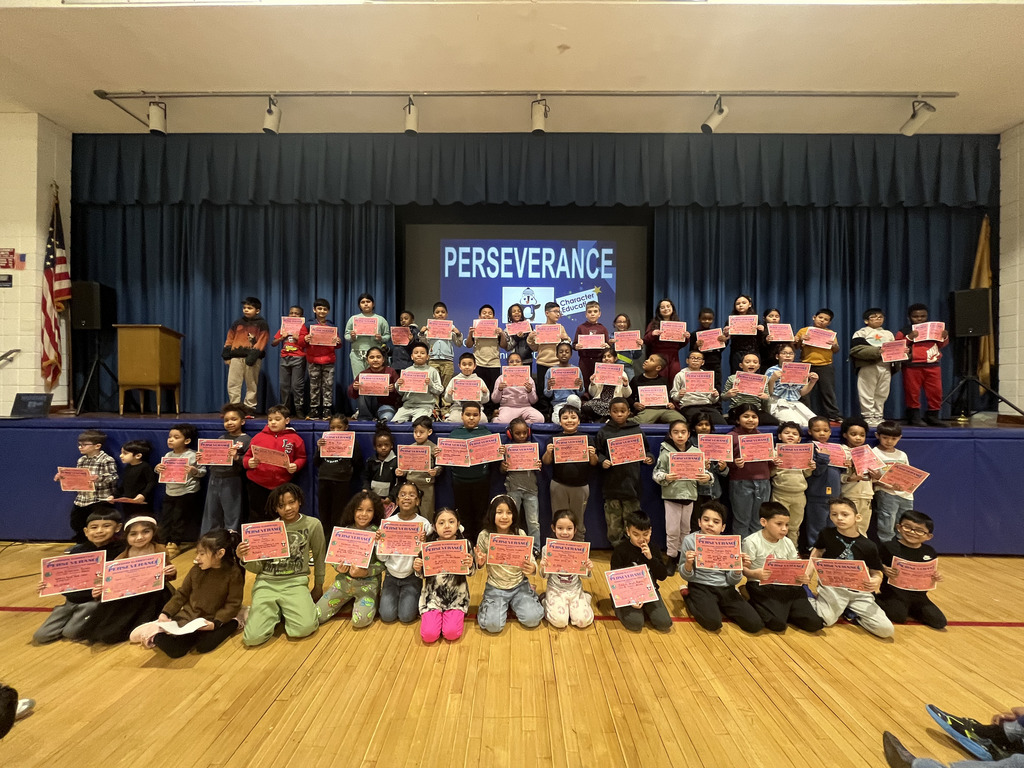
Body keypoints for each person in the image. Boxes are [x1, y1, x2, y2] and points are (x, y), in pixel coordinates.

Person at [130, 528, 245, 657]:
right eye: (197, 553)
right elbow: (182, 594)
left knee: (205, 646)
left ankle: (236, 621)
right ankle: (154, 632)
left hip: (214, 619)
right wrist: (165, 613)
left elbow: (233, 603)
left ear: (220, 554)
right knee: (176, 651)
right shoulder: (196, 570)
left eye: (202, 554)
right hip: (191, 619)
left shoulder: (233, 573)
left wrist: (216, 622)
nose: (197, 558)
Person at [240, 484, 326, 646]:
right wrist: (245, 557)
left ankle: (282, 610)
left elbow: (319, 556)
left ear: (299, 501)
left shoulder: (313, 524)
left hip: (295, 583)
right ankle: (272, 612)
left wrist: (319, 585)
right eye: (281, 506)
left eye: (291, 502)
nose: (287, 508)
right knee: (252, 639)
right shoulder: (266, 530)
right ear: (275, 508)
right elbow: (257, 568)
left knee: (304, 628)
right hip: (266, 584)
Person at [33, 506, 123, 644]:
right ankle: (66, 614)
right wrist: (49, 585)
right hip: (71, 601)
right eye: (94, 527)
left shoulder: (120, 552)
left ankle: (86, 619)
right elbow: (64, 579)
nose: (99, 531)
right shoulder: (77, 551)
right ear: (86, 532)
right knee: (41, 636)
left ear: (117, 528)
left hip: (93, 602)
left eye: (106, 526)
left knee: (71, 633)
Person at [81, 515, 176, 644]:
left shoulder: (159, 550)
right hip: (129, 597)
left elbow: (167, 573)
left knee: (146, 618)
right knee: (111, 629)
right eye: (133, 534)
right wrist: (100, 592)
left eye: (145, 532)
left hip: (154, 596)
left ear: (153, 532)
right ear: (126, 537)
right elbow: (112, 583)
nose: (139, 537)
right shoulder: (121, 558)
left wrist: (171, 571)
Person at [809, 498, 894, 638]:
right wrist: (809, 572)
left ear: (857, 517)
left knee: (885, 630)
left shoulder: (868, 545)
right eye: (834, 514)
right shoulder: (827, 534)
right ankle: (808, 596)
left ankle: (854, 613)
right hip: (832, 587)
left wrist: (876, 581)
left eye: (844, 514)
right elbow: (818, 551)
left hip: (859, 591)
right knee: (826, 620)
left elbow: (876, 571)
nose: (839, 518)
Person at [680, 500, 763, 633]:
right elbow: (685, 575)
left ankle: (720, 605)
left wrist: (738, 568)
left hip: (726, 588)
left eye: (716, 522)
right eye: (706, 520)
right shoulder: (690, 540)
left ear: (723, 527)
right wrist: (688, 564)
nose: (710, 524)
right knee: (712, 623)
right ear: (700, 522)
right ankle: (688, 596)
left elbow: (732, 580)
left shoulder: (730, 544)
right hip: (700, 586)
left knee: (755, 624)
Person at [741, 502, 824, 633]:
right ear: (764, 522)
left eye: (786, 525)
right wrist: (754, 574)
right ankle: (748, 594)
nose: (784, 529)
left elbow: (796, 566)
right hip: (762, 586)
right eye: (779, 524)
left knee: (815, 624)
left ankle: (784, 610)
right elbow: (743, 570)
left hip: (789, 587)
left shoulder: (788, 542)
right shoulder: (751, 541)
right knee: (777, 624)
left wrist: (803, 576)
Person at [474, 495, 545, 633]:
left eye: (509, 512)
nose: (504, 517)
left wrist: (532, 568)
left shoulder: (520, 534)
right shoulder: (484, 535)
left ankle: (524, 596)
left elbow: (530, 559)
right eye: (499, 512)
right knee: (493, 626)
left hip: (519, 585)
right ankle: (489, 604)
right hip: (495, 587)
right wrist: (480, 562)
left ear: (514, 515)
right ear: (492, 514)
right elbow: (479, 561)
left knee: (533, 619)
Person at [317, 491, 385, 628]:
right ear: (352, 510)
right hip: (344, 582)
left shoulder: (378, 533)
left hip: (368, 585)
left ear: (375, 512)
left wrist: (366, 572)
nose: (363, 514)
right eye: (359, 509)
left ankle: (370, 599)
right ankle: (347, 599)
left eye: (369, 510)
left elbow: (383, 563)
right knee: (317, 616)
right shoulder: (344, 532)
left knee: (360, 621)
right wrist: (338, 567)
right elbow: (334, 557)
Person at [653, 419, 709, 576]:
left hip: (690, 496)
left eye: (683, 432)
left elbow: (706, 473)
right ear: (670, 434)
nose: (679, 435)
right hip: (671, 497)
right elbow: (656, 474)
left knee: (686, 529)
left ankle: (683, 557)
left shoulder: (697, 453)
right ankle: (671, 557)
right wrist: (666, 476)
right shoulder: (665, 454)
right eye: (676, 432)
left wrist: (706, 477)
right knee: (672, 530)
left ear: (689, 434)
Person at [595, 397, 654, 547]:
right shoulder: (604, 432)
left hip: (632, 486)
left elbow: (647, 450)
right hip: (611, 486)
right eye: (615, 411)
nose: (619, 414)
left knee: (633, 522)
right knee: (613, 524)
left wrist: (649, 458)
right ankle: (618, 550)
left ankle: (633, 550)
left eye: (622, 411)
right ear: (609, 412)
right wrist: (603, 461)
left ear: (629, 412)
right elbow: (598, 452)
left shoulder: (636, 430)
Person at [414, 507, 476, 643]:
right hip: (432, 599)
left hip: (457, 599)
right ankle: (435, 616)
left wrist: (470, 564)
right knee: (429, 636)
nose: (447, 526)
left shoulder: (465, 545)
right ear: (434, 527)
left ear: (458, 524)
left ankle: (452, 616)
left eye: (451, 522)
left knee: (451, 633)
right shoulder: (428, 546)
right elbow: (422, 574)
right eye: (441, 523)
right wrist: (418, 568)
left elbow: (472, 572)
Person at [876, 510, 946, 629]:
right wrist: (883, 569)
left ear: (928, 536)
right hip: (894, 594)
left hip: (919, 597)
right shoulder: (889, 547)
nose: (912, 532)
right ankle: (875, 598)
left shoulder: (929, 552)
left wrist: (936, 576)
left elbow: (931, 572)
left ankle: (911, 609)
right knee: (898, 617)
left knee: (939, 622)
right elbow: (873, 563)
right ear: (899, 527)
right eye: (907, 527)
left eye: (919, 530)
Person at [378, 482, 432, 624]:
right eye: (402, 495)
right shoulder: (388, 523)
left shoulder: (424, 524)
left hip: (412, 577)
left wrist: (424, 542)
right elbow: (382, 557)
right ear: (397, 501)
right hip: (391, 576)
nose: (406, 498)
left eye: (411, 495)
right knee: (387, 616)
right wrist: (380, 543)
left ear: (418, 501)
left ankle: (416, 594)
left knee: (406, 617)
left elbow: (428, 559)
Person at [609, 511, 672, 632]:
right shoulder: (620, 550)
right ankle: (617, 604)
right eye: (636, 534)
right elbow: (614, 579)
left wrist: (650, 558)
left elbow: (663, 576)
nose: (641, 539)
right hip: (628, 592)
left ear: (651, 531)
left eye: (646, 534)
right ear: (628, 532)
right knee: (635, 624)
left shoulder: (653, 548)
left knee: (664, 623)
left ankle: (646, 610)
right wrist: (629, 598)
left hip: (649, 591)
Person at [243, 405, 307, 523]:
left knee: (280, 516)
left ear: (286, 421)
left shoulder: (295, 439)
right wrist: (248, 462)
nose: (273, 422)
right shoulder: (258, 437)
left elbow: (301, 457)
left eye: (277, 419)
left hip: (281, 485)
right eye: (270, 419)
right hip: (258, 484)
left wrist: (296, 465)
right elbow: (247, 457)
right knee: (257, 514)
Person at [542, 404, 597, 541]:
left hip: (581, 486)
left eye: (573, 417)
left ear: (579, 421)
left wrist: (592, 454)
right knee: (559, 519)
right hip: (559, 485)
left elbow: (594, 463)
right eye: (565, 418)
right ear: (560, 421)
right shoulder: (554, 439)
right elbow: (546, 462)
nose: (569, 420)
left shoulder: (587, 438)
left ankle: (578, 551)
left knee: (578, 520)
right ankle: (557, 552)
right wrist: (548, 452)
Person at [443, 402, 495, 543]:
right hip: (459, 482)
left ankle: (480, 545)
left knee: (481, 515)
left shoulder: (486, 433)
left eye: (475, 415)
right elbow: (446, 458)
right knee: (464, 516)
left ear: (480, 417)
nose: (471, 418)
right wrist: (440, 453)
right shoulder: (455, 434)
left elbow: (494, 459)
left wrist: (498, 451)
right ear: (462, 416)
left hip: (481, 481)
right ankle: (467, 546)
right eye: (468, 415)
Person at [56, 428, 117, 545]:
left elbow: (113, 478)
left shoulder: (106, 460)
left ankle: (98, 545)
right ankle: (82, 544)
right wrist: (63, 477)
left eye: (84, 445)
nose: (80, 447)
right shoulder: (82, 460)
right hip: (82, 499)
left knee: (97, 523)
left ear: (97, 446)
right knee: (77, 522)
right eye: (79, 445)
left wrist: (99, 478)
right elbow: (77, 478)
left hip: (99, 499)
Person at [154, 422, 206, 559]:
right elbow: (162, 471)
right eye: (170, 436)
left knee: (179, 519)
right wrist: (157, 469)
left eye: (176, 437)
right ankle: (163, 542)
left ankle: (174, 543)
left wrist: (194, 471)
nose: (171, 439)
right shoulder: (168, 455)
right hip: (170, 491)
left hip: (187, 492)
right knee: (166, 518)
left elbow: (202, 472)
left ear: (187, 440)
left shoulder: (193, 455)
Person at [199, 403, 251, 535]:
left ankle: (232, 541)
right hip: (214, 478)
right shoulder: (221, 438)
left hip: (232, 480)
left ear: (243, 421)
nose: (229, 423)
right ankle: (210, 541)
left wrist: (237, 458)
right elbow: (213, 457)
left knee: (232, 513)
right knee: (212, 512)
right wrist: (202, 456)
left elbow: (248, 461)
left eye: (234, 419)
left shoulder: (246, 440)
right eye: (226, 420)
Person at [896, 303, 950, 427]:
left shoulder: (934, 329)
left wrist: (944, 337)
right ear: (909, 317)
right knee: (912, 393)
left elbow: (941, 345)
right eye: (916, 316)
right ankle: (914, 417)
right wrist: (909, 337)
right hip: (912, 365)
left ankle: (933, 416)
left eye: (923, 316)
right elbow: (896, 347)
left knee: (935, 392)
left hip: (933, 364)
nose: (919, 319)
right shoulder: (904, 331)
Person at [539, 509, 595, 629]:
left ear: (575, 530)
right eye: (560, 528)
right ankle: (545, 601)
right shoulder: (547, 549)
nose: (565, 532)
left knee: (583, 621)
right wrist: (543, 567)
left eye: (569, 528)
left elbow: (584, 576)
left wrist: (588, 569)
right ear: (553, 528)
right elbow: (544, 576)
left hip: (574, 589)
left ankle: (584, 598)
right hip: (555, 589)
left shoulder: (580, 549)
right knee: (560, 622)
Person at [726, 403, 772, 539]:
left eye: (754, 416)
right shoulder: (731, 437)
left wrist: (774, 461)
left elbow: (769, 463)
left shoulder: (763, 437)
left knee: (759, 520)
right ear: (737, 419)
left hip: (763, 482)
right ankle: (742, 553)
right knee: (742, 520)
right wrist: (734, 464)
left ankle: (755, 553)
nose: (750, 419)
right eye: (746, 416)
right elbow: (723, 463)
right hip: (741, 482)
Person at [501, 417, 543, 554]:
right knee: (512, 520)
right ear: (510, 434)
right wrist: (503, 466)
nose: (522, 436)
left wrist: (538, 465)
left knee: (533, 522)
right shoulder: (507, 449)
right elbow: (501, 471)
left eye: (524, 432)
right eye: (518, 433)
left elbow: (538, 469)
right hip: (513, 489)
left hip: (531, 490)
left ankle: (536, 548)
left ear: (528, 432)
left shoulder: (532, 448)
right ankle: (514, 546)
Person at [315, 413, 364, 528]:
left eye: (339, 427)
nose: (335, 430)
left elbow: (358, 464)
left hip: (342, 481)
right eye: (332, 428)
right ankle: (325, 540)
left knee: (339, 514)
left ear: (346, 427)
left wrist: (347, 472)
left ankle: (336, 540)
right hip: (324, 479)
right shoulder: (323, 442)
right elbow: (316, 463)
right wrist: (319, 449)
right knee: (324, 513)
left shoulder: (353, 443)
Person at [770, 421, 813, 549]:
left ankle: (793, 551)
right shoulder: (774, 452)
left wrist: (811, 467)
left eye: (794, 434)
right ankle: (777, 552)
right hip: (780, 494)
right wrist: (773, 465)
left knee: (794, 526)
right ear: (779, 436)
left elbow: (807, 474)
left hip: (799, 495)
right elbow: (770, 474)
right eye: (786, 433)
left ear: (799, 439)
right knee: (778, 525)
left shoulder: (804, 453)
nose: (790, 436)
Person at [222, 296, 269, 414]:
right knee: (233, 383)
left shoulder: (262, 324)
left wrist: (253, 355)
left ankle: (249, 408)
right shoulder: (237, 323)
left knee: (251, 383)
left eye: (249, 308)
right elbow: (230, 338)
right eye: (244, 308)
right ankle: (235, 407)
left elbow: (262, 340)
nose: (246, 310)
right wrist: (227, 355)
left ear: (257, 310)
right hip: (236, 357)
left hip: (253, 358)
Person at [803, 416, 844, 552]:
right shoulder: (809, 449)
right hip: (817, 495)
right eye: (817, 430)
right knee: (816, 526)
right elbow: (817, 472)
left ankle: (831, 551)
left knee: (833, 525)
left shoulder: (836, 448)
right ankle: (813, 551)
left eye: (825, 430)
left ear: (830, 432)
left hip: (834, 495)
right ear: (810, 431)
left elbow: (839, 472)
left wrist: (846, 464)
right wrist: (823, 458)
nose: (822, 433)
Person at [850, 307, 895, 427]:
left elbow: (896, 349)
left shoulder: (888, 334)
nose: (877, 319)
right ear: (866, 321)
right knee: (867, 391)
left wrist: (903, 351)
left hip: (885, 366)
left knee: (882, 392)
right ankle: (868, 415)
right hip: (868, 365)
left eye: (880, 317)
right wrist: (877, 351)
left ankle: (878, 415)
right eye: (873, 317)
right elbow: (856, 349)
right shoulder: (862, 332)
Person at [795, 308, 842, 423]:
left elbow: (836, 350)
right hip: (806, 364)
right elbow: (795, 347)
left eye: (826, 320)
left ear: (829, 323)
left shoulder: (830, 334)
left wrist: (834, 345)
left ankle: (833, 414)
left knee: (828, 391)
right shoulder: (804, 330)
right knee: (804, 392)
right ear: (814, 317)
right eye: (820, 318)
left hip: (825, 365)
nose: (822, 321)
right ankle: (805, 415)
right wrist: (800, 339)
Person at [872, 420, 914, 543]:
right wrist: (886, 484)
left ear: (899, 438)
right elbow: (873, 478)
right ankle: (887, 548)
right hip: (886, 493)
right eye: (885, 438)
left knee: (905, 521)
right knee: (887, 521)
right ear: (877, 436)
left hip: (905, 494)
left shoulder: (902, 455)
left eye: (894, 438)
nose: (889, 441)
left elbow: (909, 474)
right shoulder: (874, 453)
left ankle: (903, 546)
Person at [394, 415, 441, 517]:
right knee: (410, 512)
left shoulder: (434, 448)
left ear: (429, 432)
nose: (418, 435)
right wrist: (401, 472)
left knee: (427, 512)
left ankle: (427, 532)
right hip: (410, 485)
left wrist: (436, 471)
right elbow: (405, 468)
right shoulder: (410, 448)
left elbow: (440, 465)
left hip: (426, 485)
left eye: (421, 432)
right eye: (415, 432)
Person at [465, 303, 508, 413]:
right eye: (484, 313)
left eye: (490, 313)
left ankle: (493, 411)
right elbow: (469, 345)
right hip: (479, 363)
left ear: (493, 316)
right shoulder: (475, 328)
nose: (487, 315)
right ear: (479, 316)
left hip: (494, 363)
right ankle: (481, 411)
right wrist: (470, 334)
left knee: (494, 390)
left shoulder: (497, 330)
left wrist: (502, 334)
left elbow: (504, 346)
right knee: (480, 390)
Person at [765, 343, 819, 427]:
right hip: (777, 402)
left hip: (795, 402)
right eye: (784, 353)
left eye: (791, 353)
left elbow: (802, 392)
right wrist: (772, 379)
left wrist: (812, 382)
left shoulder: (799, 370)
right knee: (796, 424)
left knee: (814, 423)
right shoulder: (772, 371)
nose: (788, 356)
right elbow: (769, 393)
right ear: (777, 356)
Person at [305, 298, 342, 420]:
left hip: (328, 360)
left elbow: (337, 344)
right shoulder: (308, 325)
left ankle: (327, 410)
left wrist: (338, 342)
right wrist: (305, 339)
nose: (322, 311)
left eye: (325, 309)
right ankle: (314, 409)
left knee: (328, 386)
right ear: (314, 310)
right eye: (319, 308)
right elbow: (301, 342)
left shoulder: (331, 325)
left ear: (328, 311)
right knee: (314, 386)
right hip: (313, 360)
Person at [391, 341, 445, 423]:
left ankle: (431, 417)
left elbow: (439, 390)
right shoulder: (406, 371)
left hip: (425, 406)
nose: (419, 355)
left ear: (427, 357)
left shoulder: (432, 371)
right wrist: (398, 385)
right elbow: (401, 393)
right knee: (394, 423)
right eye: (416, 353)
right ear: (412, 356)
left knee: (418, 424)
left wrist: (430, 384)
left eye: (422, 353)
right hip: (407, 406)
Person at [271, 304, 308, 419]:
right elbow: (273, 343)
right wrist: (282, 337)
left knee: (297, 386)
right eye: (291, 313)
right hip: (284, 358)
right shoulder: (284, 327)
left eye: (296, 313)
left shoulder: (304, 328)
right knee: (284, 385)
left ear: (301, 316)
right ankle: (285, 410)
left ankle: (299, 409)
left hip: (298, 358)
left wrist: (299, 338)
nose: (293, 315)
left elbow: (307, 344)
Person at [627, 353, 685, 424]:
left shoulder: (663, 380)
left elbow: (668, 397)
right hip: (647, 410)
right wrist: (634, 404)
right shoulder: (636, 379)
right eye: (648, 358)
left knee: (681, 420)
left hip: (664, 410)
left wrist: (671, 404)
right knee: (638, 422)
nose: (646, 361)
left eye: (651, 360)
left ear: (658, 368)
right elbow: (629, 397)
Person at [689, 410, 729, 515]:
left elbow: (722, 472)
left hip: (714, 491)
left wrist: (722, 468)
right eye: (700, 424)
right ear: (693, 427)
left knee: (713, 519)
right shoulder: (688, 444)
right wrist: (700, 467)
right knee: (696, 521)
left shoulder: (716, 442)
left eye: (707, 424)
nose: (704, 427)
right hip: (696, 492)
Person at [344, 292, 391, 381]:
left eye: (368, 301)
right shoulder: (353, 319)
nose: (366, 304)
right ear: (359, 305)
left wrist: (381, 338)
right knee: (359, 380)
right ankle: (361, 396)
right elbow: (346, 335)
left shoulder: (380, 319)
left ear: (373, 304)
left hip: (375, 355)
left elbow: (387, 336)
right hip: (357, 354)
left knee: (374, 380)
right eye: (363, 302)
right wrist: (352, 337)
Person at [839, 417, 874, 535]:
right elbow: (836, 475)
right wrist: (849, 478)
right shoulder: (841, 451)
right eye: (853, 434)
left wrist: (877, 475)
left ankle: (861, 552)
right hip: (850, 494)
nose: (858, 438)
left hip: (867, 495)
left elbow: (876, 476)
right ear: (845, 435)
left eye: (862, 435)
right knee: (847, 527)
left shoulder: (869, 452)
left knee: (863, 528)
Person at [346, 345, 399, 422]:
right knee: (362, 390)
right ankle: (365, 419)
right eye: (371, 357)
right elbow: (352, 394)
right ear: (367, 360)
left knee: (388, 418)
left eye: (378, 357)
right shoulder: (363, 374)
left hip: (385, 406)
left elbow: (400, 392)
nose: (375, 360)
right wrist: (354, 388)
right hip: (367, 408)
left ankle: (381, 419)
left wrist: (394, 388)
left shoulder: (391, 372)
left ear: (383, 359)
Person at [722, 351, 777, 426]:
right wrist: (728, 395)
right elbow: (723, 397)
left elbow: (767, 398)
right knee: (737, 422)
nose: (751, 364)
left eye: (755, 362)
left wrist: (766, 397)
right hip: (738, 408)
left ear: (758, 366)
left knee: (774, 422)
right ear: (741, 365)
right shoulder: (732, 378)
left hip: (755, 409)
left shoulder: (762, 380)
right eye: (747, 362)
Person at [670, 349, 725, 423]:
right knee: (697, 423)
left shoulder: (707, 376)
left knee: (722, 423)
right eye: (692, 358)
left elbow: (713, 400)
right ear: (687, 361)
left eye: (698, 359)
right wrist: (679, 395)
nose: (695, 360)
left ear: (702, 362)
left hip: (707, 405)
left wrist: (714, 396)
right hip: (689, 406)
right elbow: (673, 395)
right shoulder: (680, 375)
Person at [527, 301, 571, 393]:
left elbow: (567, 345)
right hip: (543, 363)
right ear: (547, 313)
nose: (558, 314)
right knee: (542, 389)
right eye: (555, 311)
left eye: (559, 312)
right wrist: (530, 339)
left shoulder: (560, 328)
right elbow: (535, 348)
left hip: (557, 364)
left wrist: (566, 339)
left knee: (556, 389)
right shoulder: (540, 329)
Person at [643, 298, 689, 384]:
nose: (666, 309)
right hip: (658, 356)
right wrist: (652, 334)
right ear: (659, 310)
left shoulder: (678, 324)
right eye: (662, 307)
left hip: (674, 357)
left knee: (674, 379)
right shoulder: (653, 324)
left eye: (668, 306)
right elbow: (645, 340)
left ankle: (672, 397)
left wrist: (686, 338)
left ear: (672, 308)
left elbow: (682, 344)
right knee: (659, 380)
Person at [420, 301, 462, 394]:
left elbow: (459, 344)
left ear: (446, 314)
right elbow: (424, 343)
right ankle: (435, 406)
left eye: (443, 312)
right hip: (433, 359)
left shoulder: (451, 327)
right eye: (437, 312)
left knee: (446, 384)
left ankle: (446, 406)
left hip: (447, 360)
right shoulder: (429, 327)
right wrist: (422, 333)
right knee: (434, 384)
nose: (440, 314)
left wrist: (458, 334)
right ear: (433, 314)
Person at [491, 351, 544, 424]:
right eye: (511, 362)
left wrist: (530, 391)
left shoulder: (528, 379)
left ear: (522, 364)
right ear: (508, 364)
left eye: (518, 361)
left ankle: (517, 424)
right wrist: (499, 389)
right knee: (499, 423)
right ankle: (497, 418)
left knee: (539, 419)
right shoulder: (501, 378)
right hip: (507, 407)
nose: (515, 364)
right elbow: (495, 400)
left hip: (525, 407)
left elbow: (534, 401)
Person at [582, 348, 632, 423]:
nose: (606, 359)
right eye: (604, 357)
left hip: (613, 402)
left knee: (615, 409)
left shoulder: (622, 373)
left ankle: (603, 419)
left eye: (609, 356)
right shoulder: (598, 372)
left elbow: (627, 395)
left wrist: (625, 385)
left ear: (615, 358)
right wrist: (592, 383)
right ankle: (605, 419)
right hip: (599, 401)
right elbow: (592, 393)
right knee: (585, 408)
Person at [110, 438, 157, 516]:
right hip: (128, 503)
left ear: (138, 455)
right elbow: (123, 485)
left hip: (141, 503)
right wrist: (113, 496)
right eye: (121, 453)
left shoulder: (145, 467)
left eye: (125, 453)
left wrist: (143, 495)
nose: (121, 456)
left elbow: (151, 482)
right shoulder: (128, 467)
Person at [543, 342, 585, 422]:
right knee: (557, 421)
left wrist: (580, 387)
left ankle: (576, 415)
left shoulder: (576, 370)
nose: (564, 354)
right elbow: (547, 395)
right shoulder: (550, 371)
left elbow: (581, 393)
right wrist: (549, 387)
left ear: (571, 355)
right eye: (561, 352)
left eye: (567, 352)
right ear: (557, 354)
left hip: (573, 402)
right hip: (558, 403)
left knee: (572, 398)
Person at [444, 352, 491, 423]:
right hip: (458, 408)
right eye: (464, 364)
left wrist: (484, 393)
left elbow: (485, 401)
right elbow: (447, 400)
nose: (467, 367)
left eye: (470, 364)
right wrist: (449, 394)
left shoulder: (479, 380)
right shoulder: (454, 380)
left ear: (474, 366)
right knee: (453, 420)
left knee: (483, 420)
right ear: (459, 366)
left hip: (475, 409)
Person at [572, 300, 610, 388]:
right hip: (584, 360)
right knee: (584, 381)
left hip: (598, 360)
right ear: (586, 314)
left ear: (599, 314)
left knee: (597, 381)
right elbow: (574, 344)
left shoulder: (603, 328)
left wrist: (607, 346)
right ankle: (584, 399)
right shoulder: (581, 327)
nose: (592, 314)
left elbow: (608, 345)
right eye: (589, 312)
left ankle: (596, 399)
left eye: (595, 311)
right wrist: (576, 346)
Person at [722, 294, 762, 377]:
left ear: (749, 304)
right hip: (737, 352)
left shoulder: (756, 320)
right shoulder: (730, 321)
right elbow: (725, 341)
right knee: (737, 376)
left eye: (744, 303)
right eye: (738, 303)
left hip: (753, 351)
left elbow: (761, 340)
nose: (740, 305)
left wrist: (761, 330)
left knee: (753, 377)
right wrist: (725, 335)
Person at [364, 426, 399, 501]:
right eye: (379, 445)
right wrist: (366, 489)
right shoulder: (371, 461)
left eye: (386, 445)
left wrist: (391, 497)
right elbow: (366, 478)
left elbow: (399, 482)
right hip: (373, 498)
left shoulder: (396, 462)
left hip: (389, 500)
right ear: (375, 447)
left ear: (391, 445)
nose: (383, 448)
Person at [690, 307, 723, 387]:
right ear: (699, 319)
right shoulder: (695, 334)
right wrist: (696, 345)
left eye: (709, 319)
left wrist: (724, 341)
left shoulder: (717, 334)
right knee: (702, 385)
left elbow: (721, 349)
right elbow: (691, 351)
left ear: (713, 319)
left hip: (715, 363)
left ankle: (717, 399)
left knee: (716, 384)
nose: (707, 321)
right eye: (704, 319)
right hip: (701, 364)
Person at [612, 313, 643, 380]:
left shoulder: (633, 337)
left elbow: (636, 356)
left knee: (631, 387)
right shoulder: (611, 337)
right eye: (619, 322)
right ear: (615, 324)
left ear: (628, 324)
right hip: (614, 367)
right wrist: (610, 345)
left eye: (624, 322)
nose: (622, 324)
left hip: (628, 367)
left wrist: (639, 347)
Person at [504, 303, 534, 370]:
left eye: (519, 311)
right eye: (514, 311)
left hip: (527, 360)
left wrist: (529, 336)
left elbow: (533, 347)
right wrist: (516, 338)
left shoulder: (528, 327)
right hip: (514, 362)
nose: (517, 313)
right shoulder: (507, 330)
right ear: (510, 315)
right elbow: (508, 347)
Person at [756, 307, 783, 374]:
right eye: (771, 316)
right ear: (764, 318)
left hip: (780, 361)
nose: (774, 318)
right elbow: (757, 345)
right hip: (765, 361)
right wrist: (766, 341)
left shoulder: (784, 330)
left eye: (777, 316)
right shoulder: (760, 329)